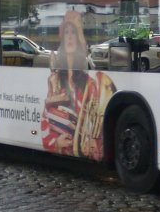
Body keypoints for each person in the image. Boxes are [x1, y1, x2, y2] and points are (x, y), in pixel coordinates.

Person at [41, 10, 115, 159]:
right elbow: (44, 119)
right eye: (66, 32)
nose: (69, 36)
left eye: (73, 33)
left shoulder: (90, 84)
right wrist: (56, 143)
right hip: (62, 149)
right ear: (62, 38)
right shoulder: (54, 80)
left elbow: (96, 126)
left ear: (79, 40)